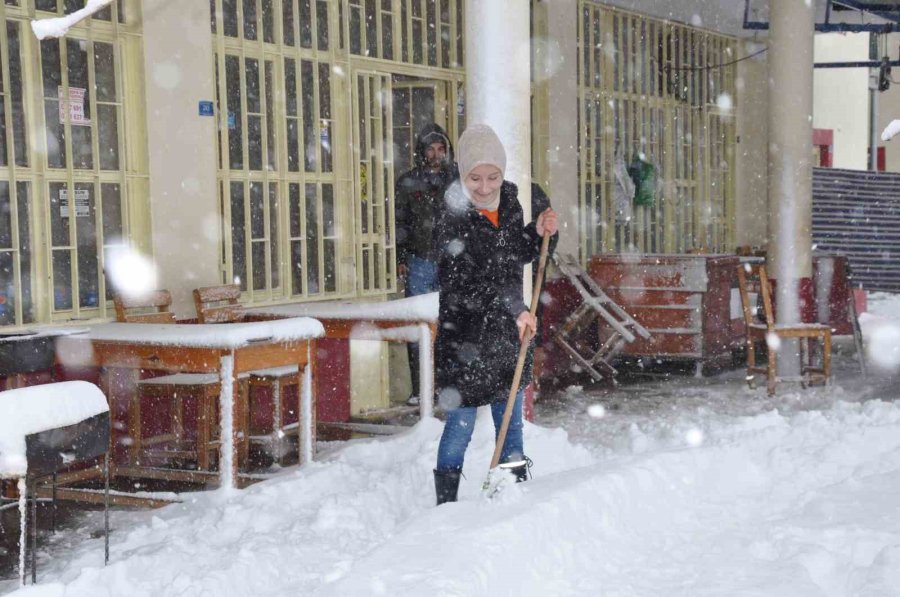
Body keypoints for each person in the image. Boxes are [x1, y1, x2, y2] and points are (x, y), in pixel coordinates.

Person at [431, 124, 559, 505]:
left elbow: (512, 253)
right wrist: (515, 307)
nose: (485, 186)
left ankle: (512, 499)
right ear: (462, 173)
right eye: (475, 177)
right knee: (460, 427)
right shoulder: (451, 215)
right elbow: (467, 279)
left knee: (511, 423)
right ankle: (446, 506)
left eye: (493, 176)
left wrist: (536, 233)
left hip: (505, 335)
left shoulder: (509, 203)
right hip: (464, 335)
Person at [395, 123, 458, 407]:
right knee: (418, 326)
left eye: (440, 149)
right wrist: (400, 257)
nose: (436, 155)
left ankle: (447, 384)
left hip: (449, 261)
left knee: (449, 324)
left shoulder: (456, 180)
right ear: (422, 152)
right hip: (419, 261)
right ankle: (421, 387)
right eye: (431, 150)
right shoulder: (409, 181)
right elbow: (400, 222)